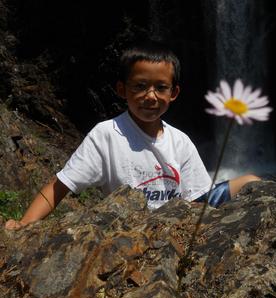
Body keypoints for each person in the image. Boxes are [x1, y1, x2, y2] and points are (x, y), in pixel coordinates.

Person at [4, 41, 260, 231]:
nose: (150, 95)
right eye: (139, 86)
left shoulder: (179, 140)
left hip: (179, 221)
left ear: (174, 93)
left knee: (251, 181)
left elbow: (197, 198)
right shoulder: (106, 135)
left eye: (160, 88)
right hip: (135, 229)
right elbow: (61, 184)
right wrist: (25, 223)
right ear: (121, 89)